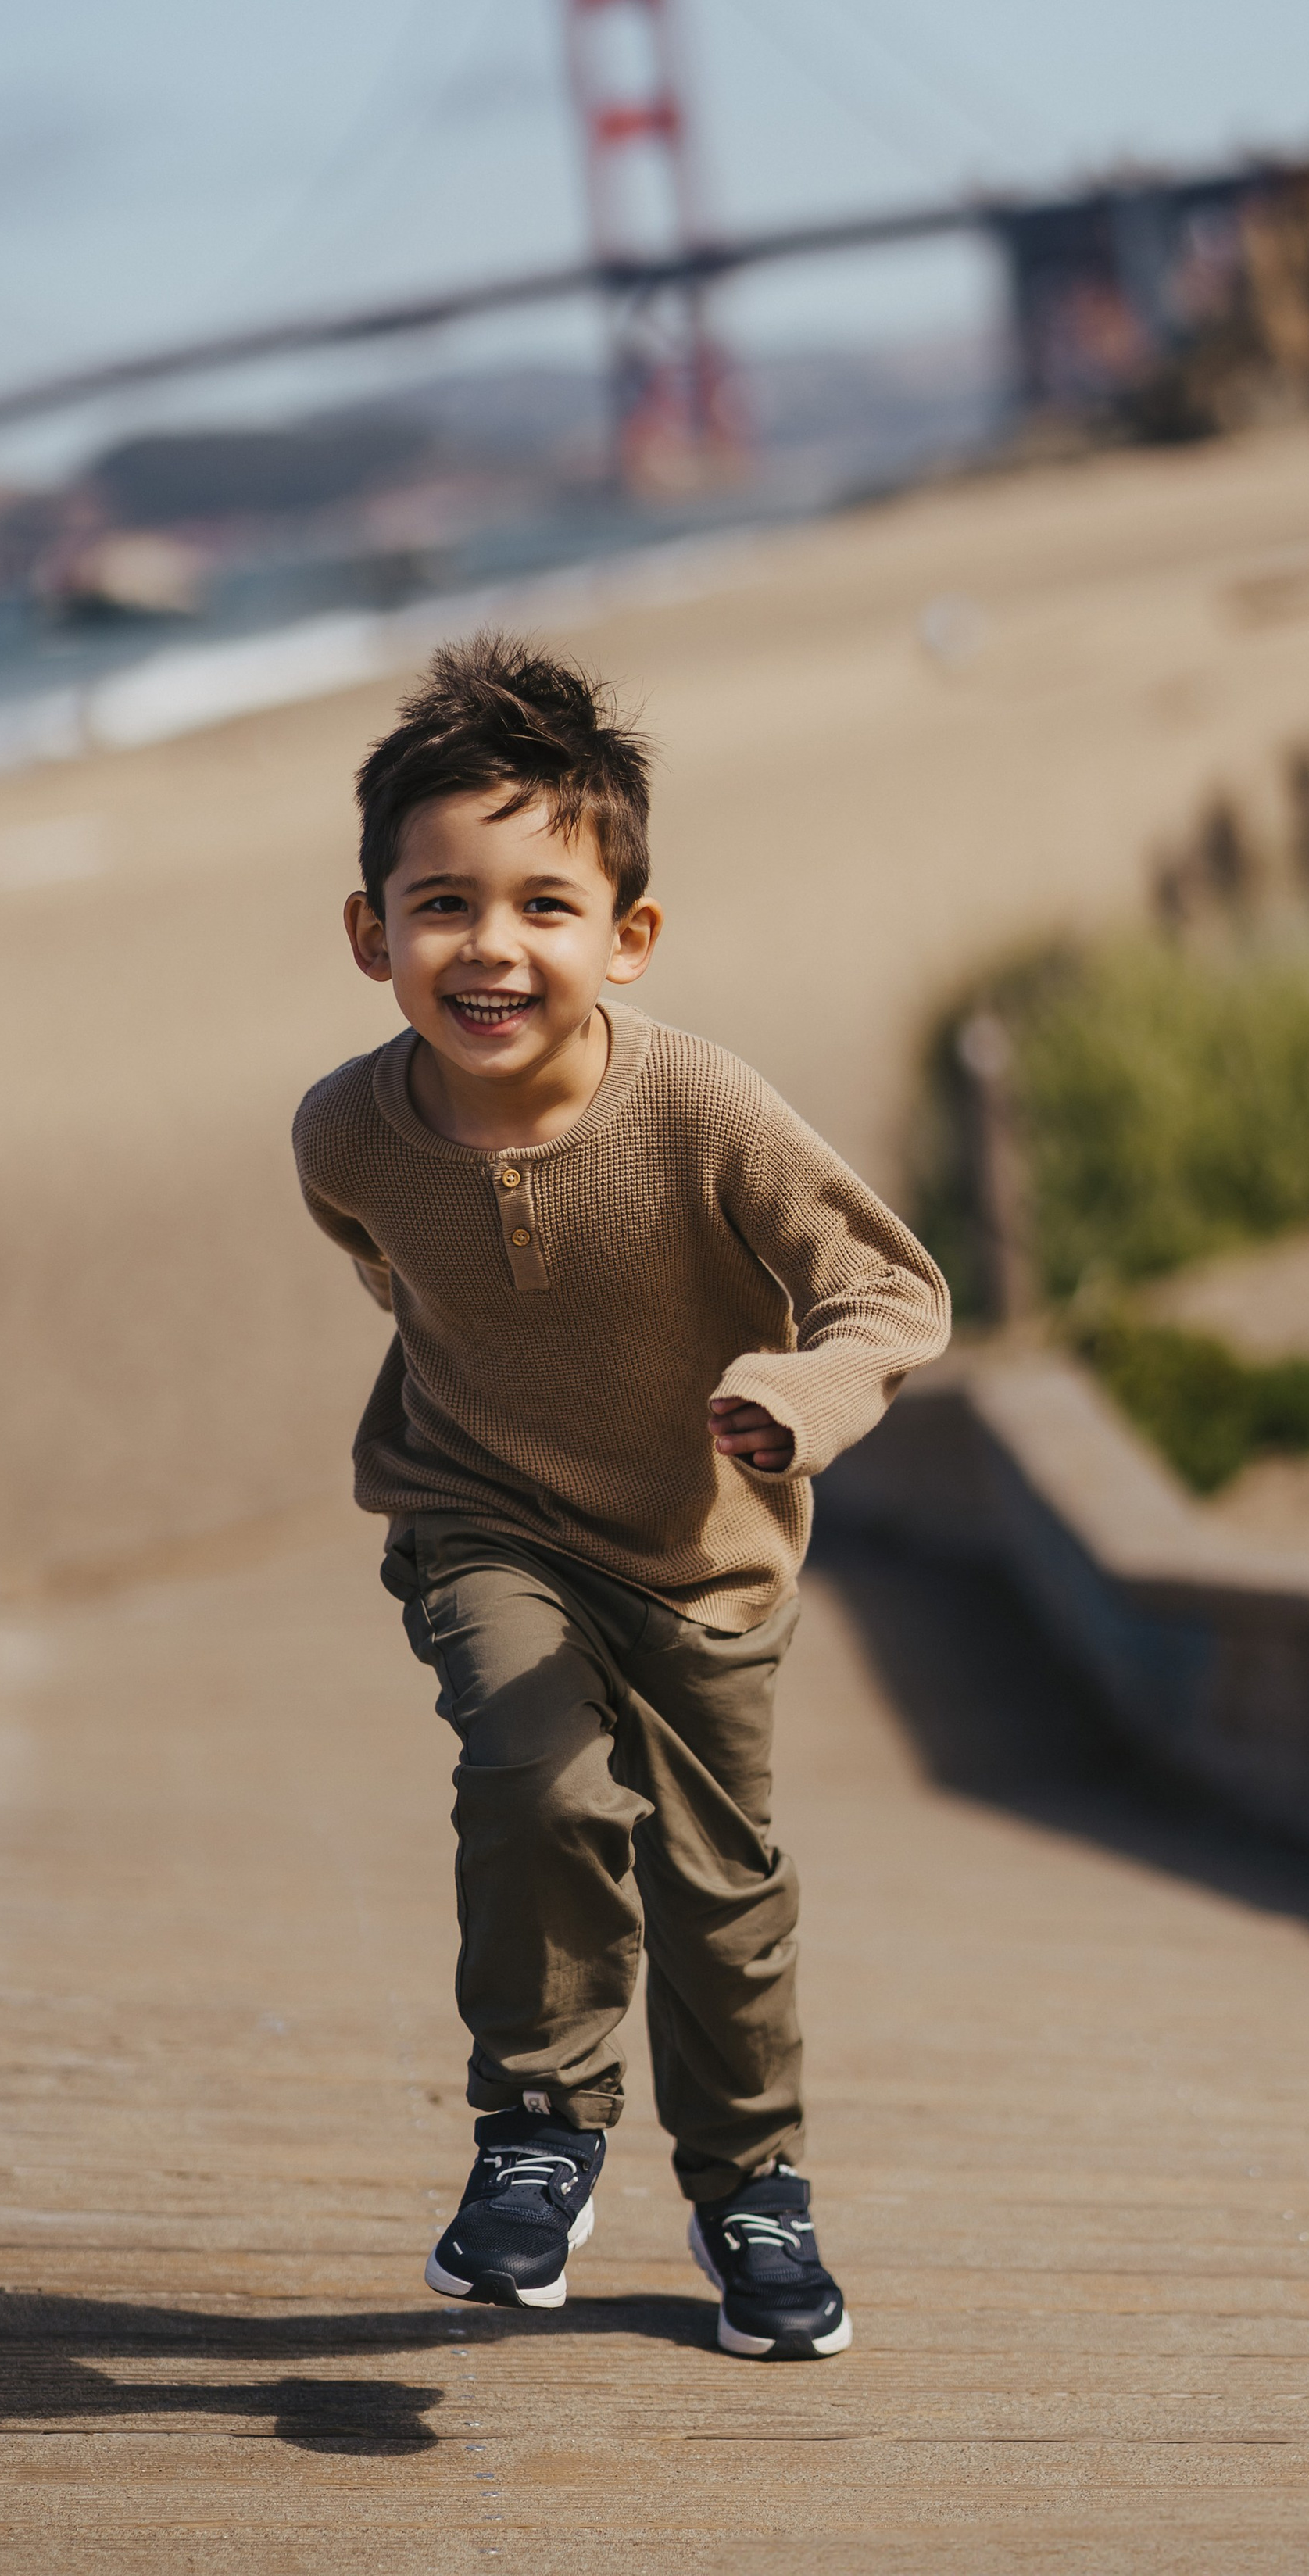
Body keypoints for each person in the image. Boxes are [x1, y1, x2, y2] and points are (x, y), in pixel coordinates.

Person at [292, 632, 950, 2360]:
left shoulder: (705, 1109)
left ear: (624, 937)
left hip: (700, 1561)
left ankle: (753, 2197)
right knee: (535, 1774)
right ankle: (536, 2134)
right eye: (438, 904)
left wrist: (796, 1392)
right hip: (478, 1517)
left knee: (721, 1896)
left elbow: (894, 1295)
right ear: (371, 935)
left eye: (542, 906)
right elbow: (398, 1275)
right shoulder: (345, 1135)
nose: (489, 946)